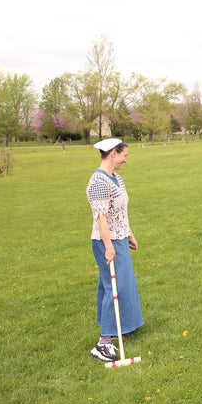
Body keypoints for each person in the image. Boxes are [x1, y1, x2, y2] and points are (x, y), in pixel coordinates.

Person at [86, 138, 144, 361]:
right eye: (124, 155)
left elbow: (119, 212)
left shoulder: (116, 178)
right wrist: (109, 247)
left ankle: (121, 326)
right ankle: (103, 342)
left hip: (119, 237)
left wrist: (129, 234)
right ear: (112, 153)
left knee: (122, 284)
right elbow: (100, 217)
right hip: (105, 241)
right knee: (113, 287)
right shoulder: (99, 181)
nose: (126, 160)